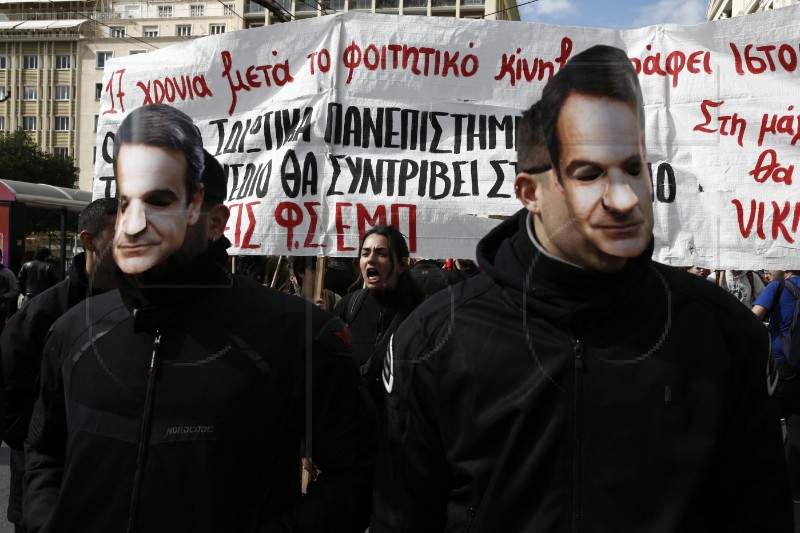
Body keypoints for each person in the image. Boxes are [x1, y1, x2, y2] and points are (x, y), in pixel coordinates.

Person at [372, 45, 792, 532]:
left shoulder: (724, 335)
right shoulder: (433, 341)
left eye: (633, 168)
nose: (623, 197)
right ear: (530, 193)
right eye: (589, 173)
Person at [23, 104, 375, 533]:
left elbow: (356, 475)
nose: (135, 224)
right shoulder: (74, 330)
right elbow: (44, 453)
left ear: (214, 221)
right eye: (125, 202)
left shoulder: (297, 336)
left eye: (159, 200)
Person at [2, 197, 118, 533]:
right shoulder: (43, 314)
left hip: (114, 492)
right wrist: (52, 442)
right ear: (88, 240)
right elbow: (11, 403)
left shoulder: (143, 306)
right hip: (47, 496)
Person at [333, 225, 424, 406]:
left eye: (381, 253)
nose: (371, 259)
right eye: (365, 253)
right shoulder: (347, 306)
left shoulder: (421, 313)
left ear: (402, 264)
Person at [753, 271, 800, 508]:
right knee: (795, 428)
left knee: (762, 422)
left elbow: (751, 319)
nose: (767, 270)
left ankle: (762, 486)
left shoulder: (777, 287)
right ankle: (794, 491)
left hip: (780, 365)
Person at [0, 249, 20, 327]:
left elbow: (15, 290)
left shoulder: (7, 273)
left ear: (1, 258)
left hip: (1, 309)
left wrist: (2, 297)